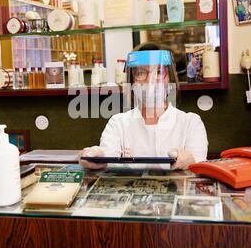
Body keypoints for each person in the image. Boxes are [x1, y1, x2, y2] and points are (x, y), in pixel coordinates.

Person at [79, 42, 209, 171]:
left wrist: (189, 160)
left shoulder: (191, 123)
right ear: (132, 82)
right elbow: (107, 153)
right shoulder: (118, 123)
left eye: (158, 72)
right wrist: (96, 156)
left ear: (170, 79)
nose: (150, 81)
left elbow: (199, 162)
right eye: (141, 73)